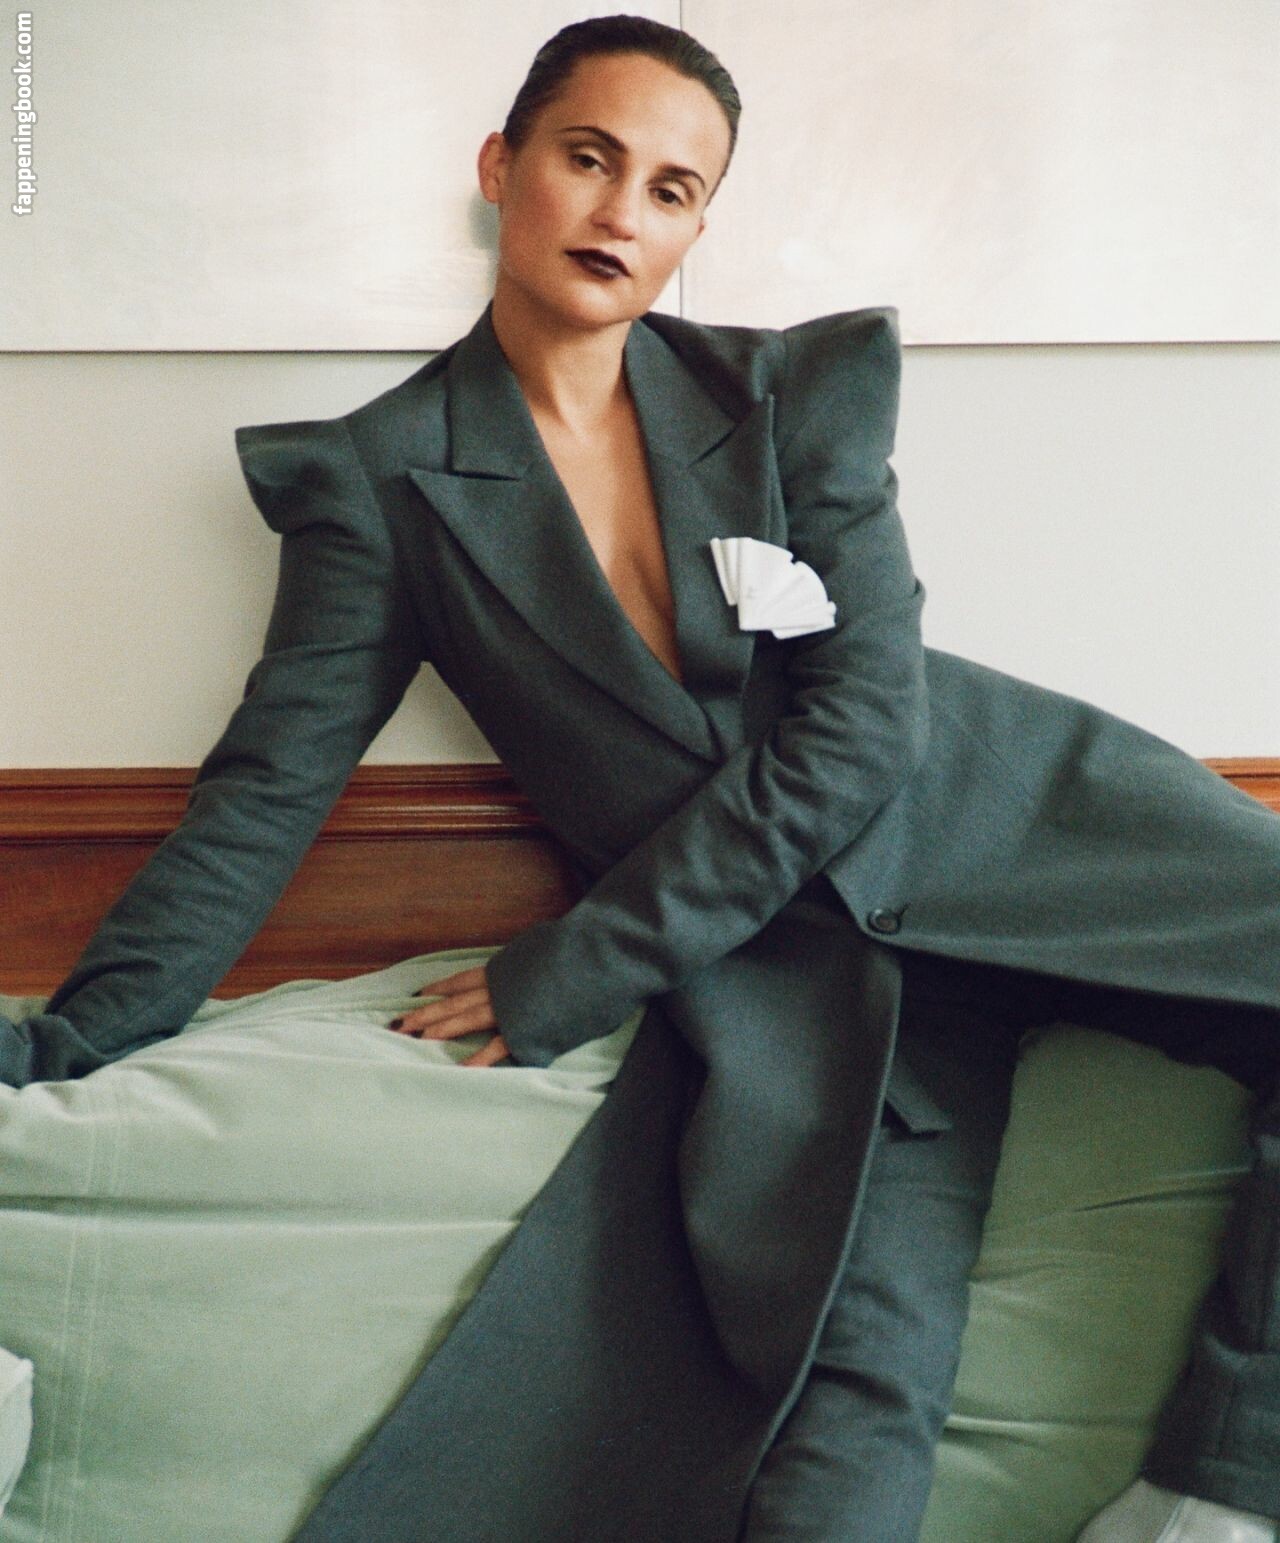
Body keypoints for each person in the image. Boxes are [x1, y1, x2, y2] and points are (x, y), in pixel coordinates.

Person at [3, 14, 1278, 1543]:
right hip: (789, 975)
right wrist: (66, 1042)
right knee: (844, 1397)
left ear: (696, 230)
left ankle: (1216, 1498)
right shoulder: (381, 482)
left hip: (1020, 826)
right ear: (502, 166)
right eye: (589, 158)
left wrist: (587, 960)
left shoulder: (795, 393)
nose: (621, 211)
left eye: (671, 189)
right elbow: (264, 796)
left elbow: (866, 729)